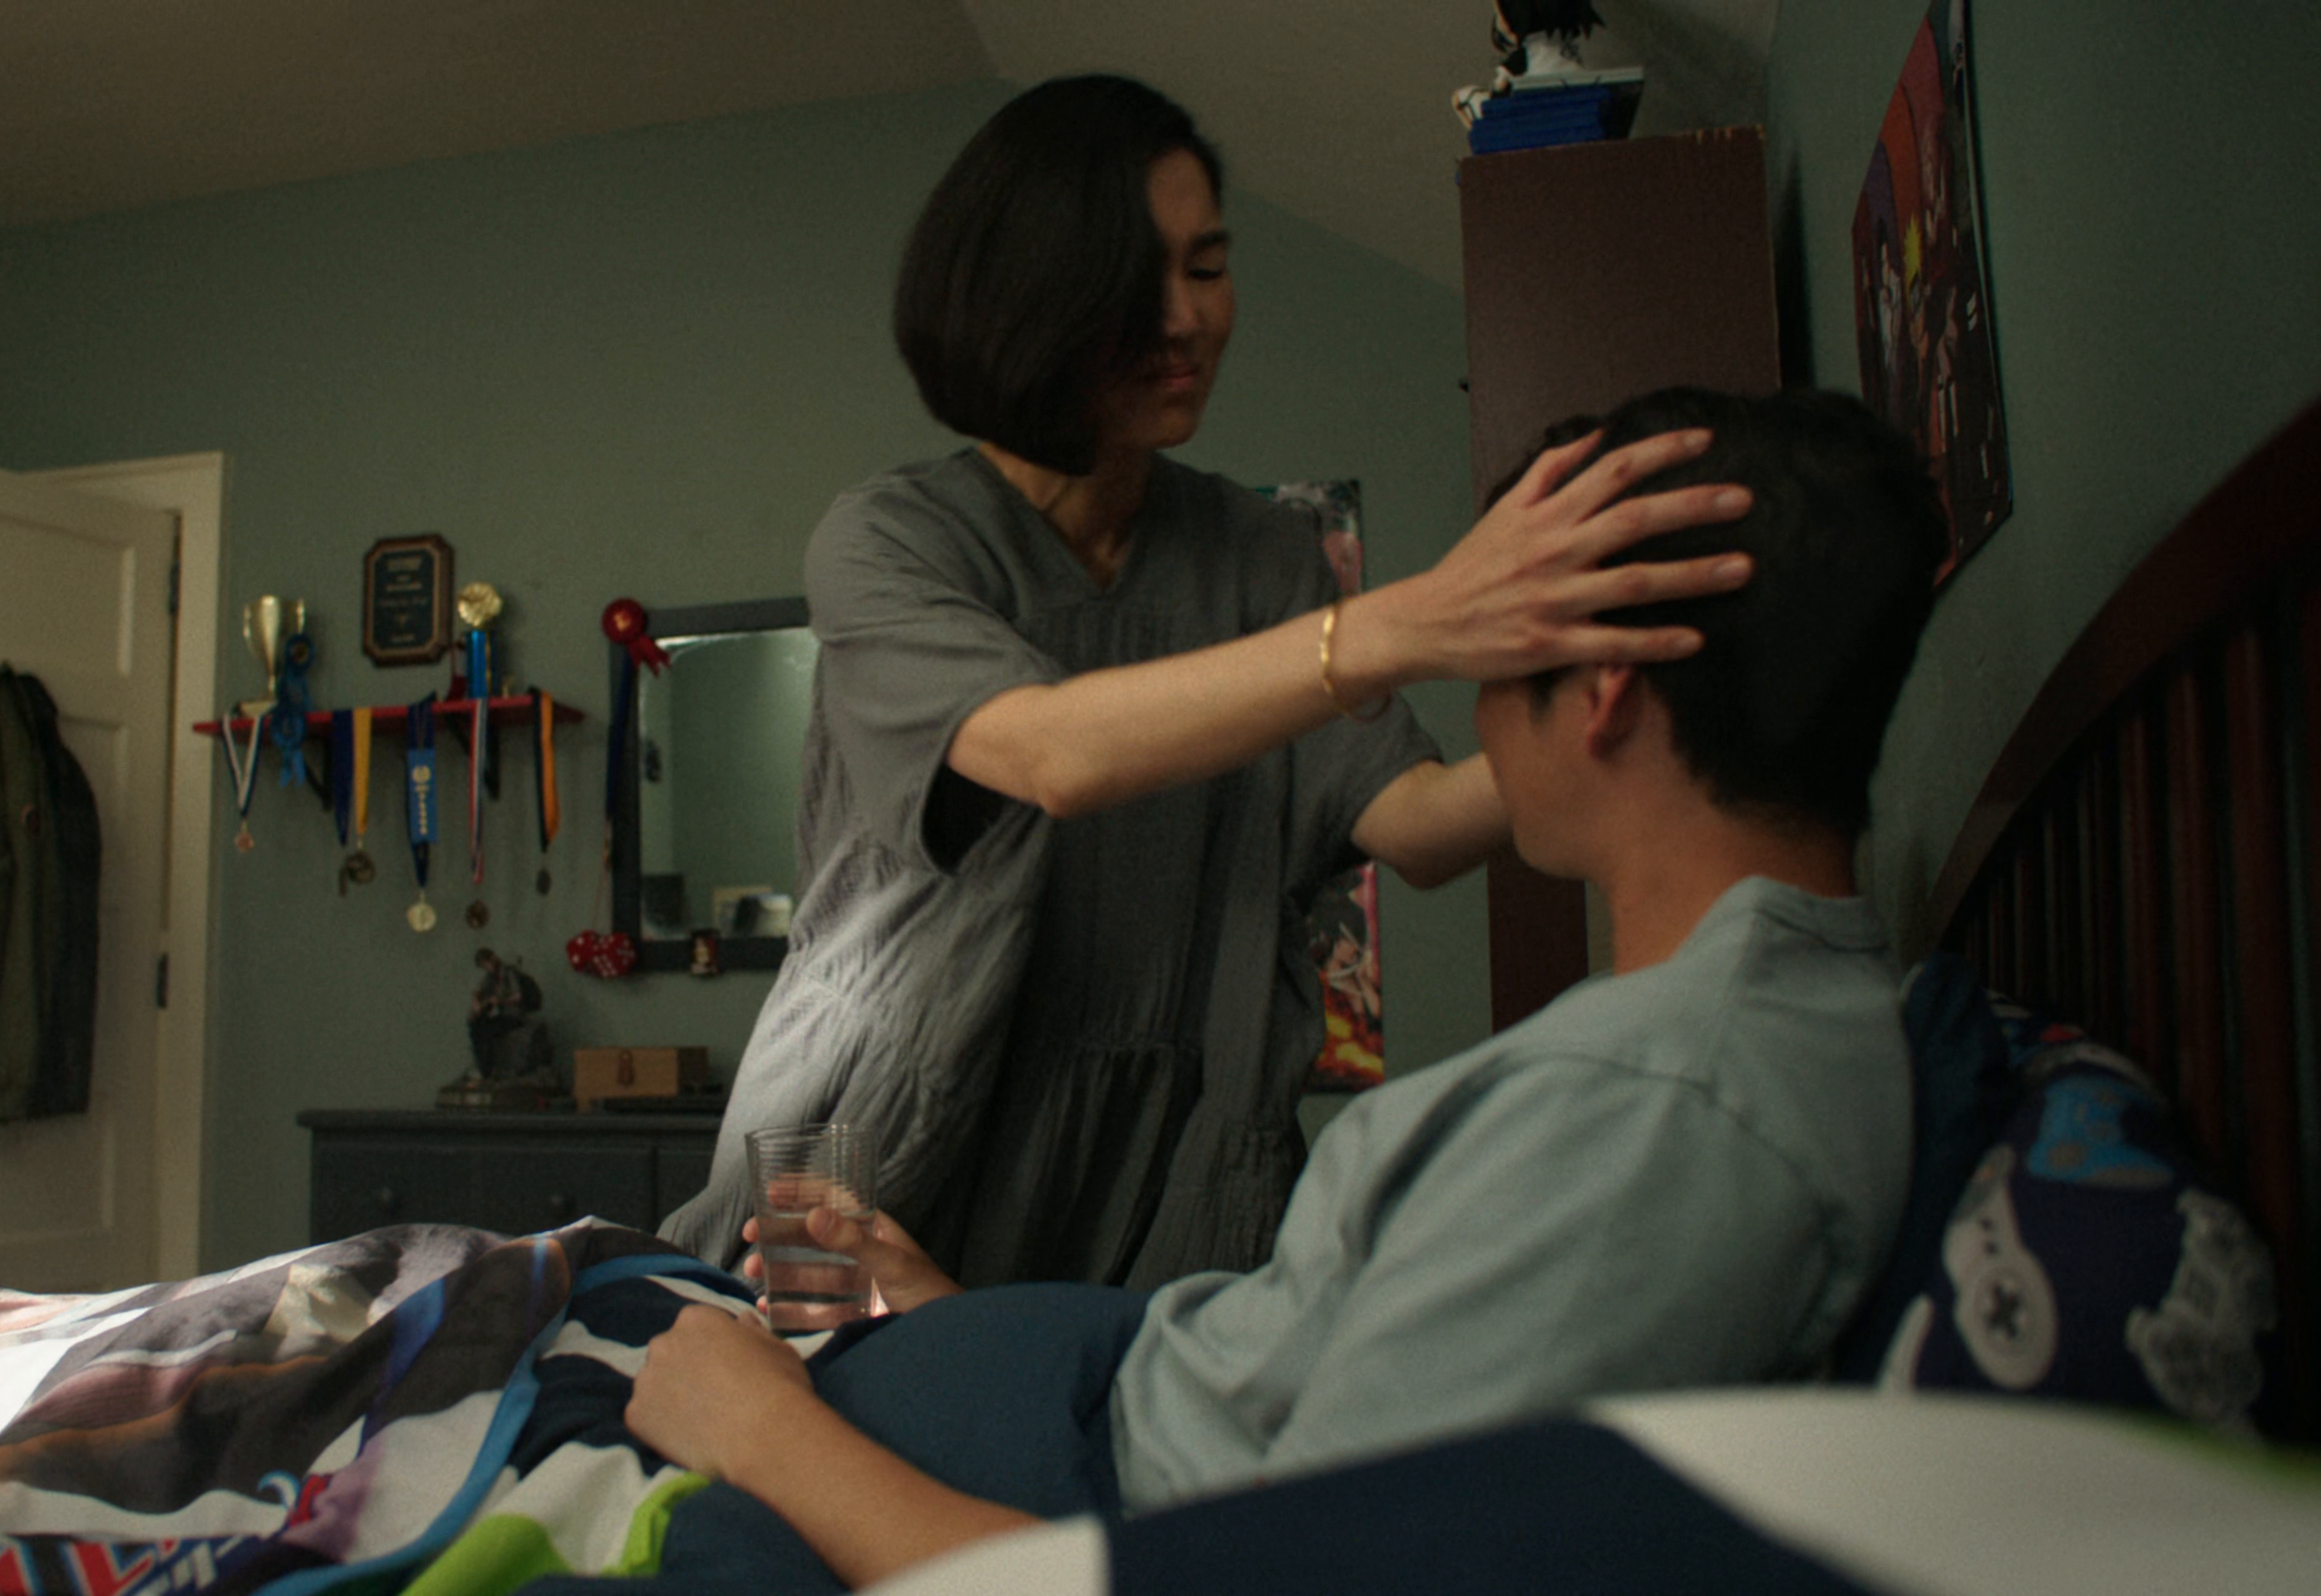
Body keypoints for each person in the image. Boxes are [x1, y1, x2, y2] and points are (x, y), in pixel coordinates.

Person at [594, 385, 1949, 1594]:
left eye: (1493, 655)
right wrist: (958, 1319)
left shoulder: (1648, 1117)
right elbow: (1267, 1374)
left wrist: (765, 1436)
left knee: (557, 1363)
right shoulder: (1751, 1026)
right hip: (989, 1317)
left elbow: (1255, 1559)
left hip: (922, 1472)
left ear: (1600, 695)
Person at [658, 74, 1757, 1291]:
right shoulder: (888, 544)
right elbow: (1052, 756)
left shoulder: (1261, 558)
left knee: (1111, 1403)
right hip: (872, 1147)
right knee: (787, 1401)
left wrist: (1653, 675)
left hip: (1159, 1168)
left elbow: (1423, 826)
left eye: (1210, 266)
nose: (1187, 319)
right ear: (1029, 294)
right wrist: (1418, 620)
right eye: (1140, 280)